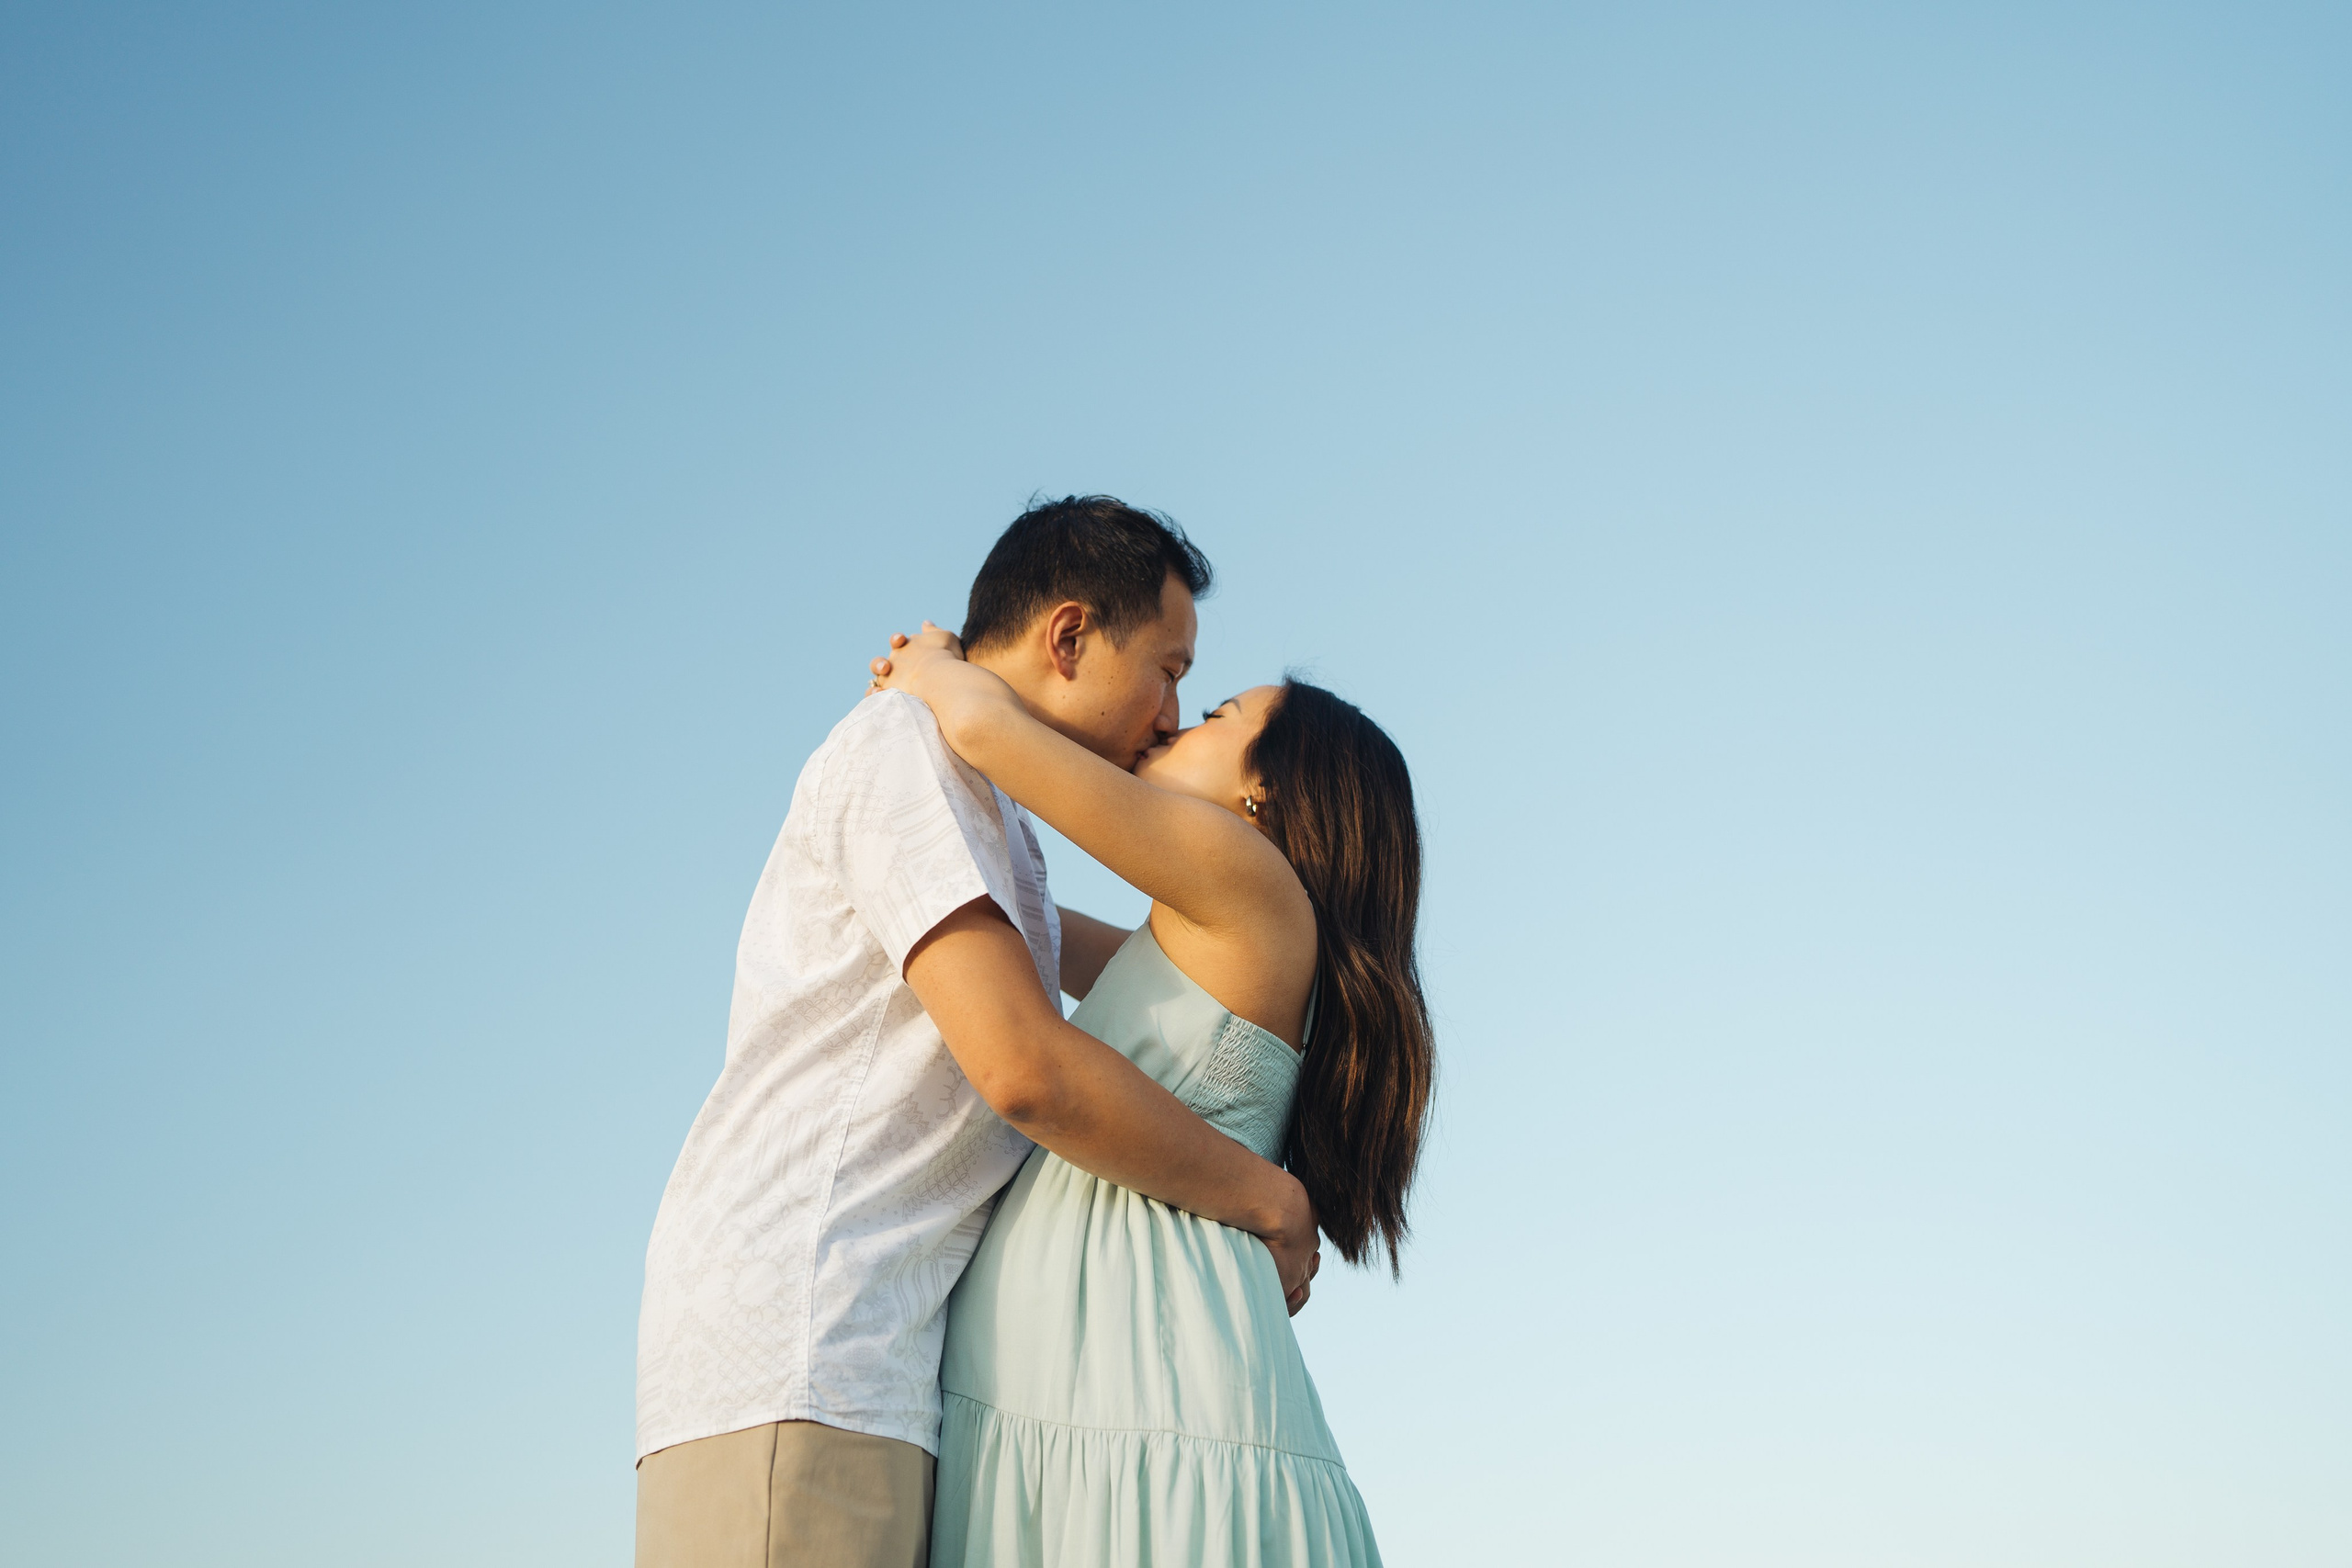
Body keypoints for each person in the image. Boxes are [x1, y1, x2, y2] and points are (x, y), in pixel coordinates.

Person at [633, 498, 1319, 1568]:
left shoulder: (994, 816)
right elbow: (1023, 1068)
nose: (1170, 713)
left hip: (874, 1366)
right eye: (1170, 670)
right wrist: (1266, 1198)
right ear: (1070, 636)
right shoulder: (908, 750)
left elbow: (1116, 966)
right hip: (809, 1350)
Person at [865, 618, 1433, 1566]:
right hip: (1105, 1372)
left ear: (1264, 790)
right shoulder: (1213, 930)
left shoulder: (1249, 881)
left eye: (1216, 714)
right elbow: (1033, 932)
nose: (1174, 723)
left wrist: (931, 665)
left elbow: (987, 731)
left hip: (1138, 1375)